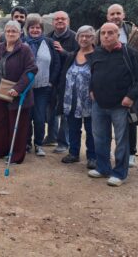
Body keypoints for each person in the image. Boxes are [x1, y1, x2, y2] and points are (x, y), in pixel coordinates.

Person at [87, 23, 138, 186]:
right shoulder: (97, 52)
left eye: (110, 33)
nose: (106, 36)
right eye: (103, 33)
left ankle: (119, 173)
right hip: (99, 104)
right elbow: (93, 74)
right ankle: (102, 168)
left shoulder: (129, 53)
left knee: (122, 140)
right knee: (99, 138)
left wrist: (130, 96)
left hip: (121, 106)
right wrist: (91, 89)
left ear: (118, 35)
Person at [96, 4, 138, 167]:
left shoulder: (135, 34)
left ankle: (129, 155)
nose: (115, 16)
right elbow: (95, 64)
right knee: (102, 131)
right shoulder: (99, 34)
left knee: (126, 128)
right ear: (107, 16)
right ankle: (105, 162)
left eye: (118, 13)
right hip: (103, 95)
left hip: (126, 92)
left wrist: (133, 93)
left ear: (123, 15)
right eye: (112, 14)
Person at [0, 21, 37, 164]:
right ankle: (0, 151)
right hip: (0, 90)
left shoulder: (25, 49)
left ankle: (16, 156)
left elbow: (31, 70)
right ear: (4, 33)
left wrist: (18, 88)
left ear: (20, 33)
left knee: (17, 125)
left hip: (17, 93)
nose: (11, 34)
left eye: (14, 31)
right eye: (8, 31)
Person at [58, 25, 96, 168]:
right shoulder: (72, 55)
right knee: (73, 128)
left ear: (93, 39)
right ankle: (73, 153)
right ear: (77, 38)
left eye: (88, 36)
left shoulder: (97, 55)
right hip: (71, 99)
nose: (84, 38)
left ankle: (92, 156)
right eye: (81, 36)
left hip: (90, 101)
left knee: (91, 130)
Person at [22, 14, 61, 156]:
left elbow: (56, 63)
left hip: (43, 88)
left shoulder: (50, 43)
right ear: (28, 29)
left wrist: (51, 81)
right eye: (32, 27)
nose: (35, 30)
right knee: (26, 117)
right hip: (25, 88)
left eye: (38, 28)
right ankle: (26, 142)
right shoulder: (22, 42)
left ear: (42, 29)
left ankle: (38, 144)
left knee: (39, 117)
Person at [45, 11, 79, 152]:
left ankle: (64, 142)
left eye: (62, 19)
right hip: (52, 79)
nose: (59, 21)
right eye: (57, 19)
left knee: (66, 111)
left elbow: (80, 56)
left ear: (68, 21)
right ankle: (51, 137)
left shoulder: (76, 37)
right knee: (50, 109)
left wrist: (64, 52)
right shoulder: (48, 37)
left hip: (69, 80)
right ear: (53, 22)